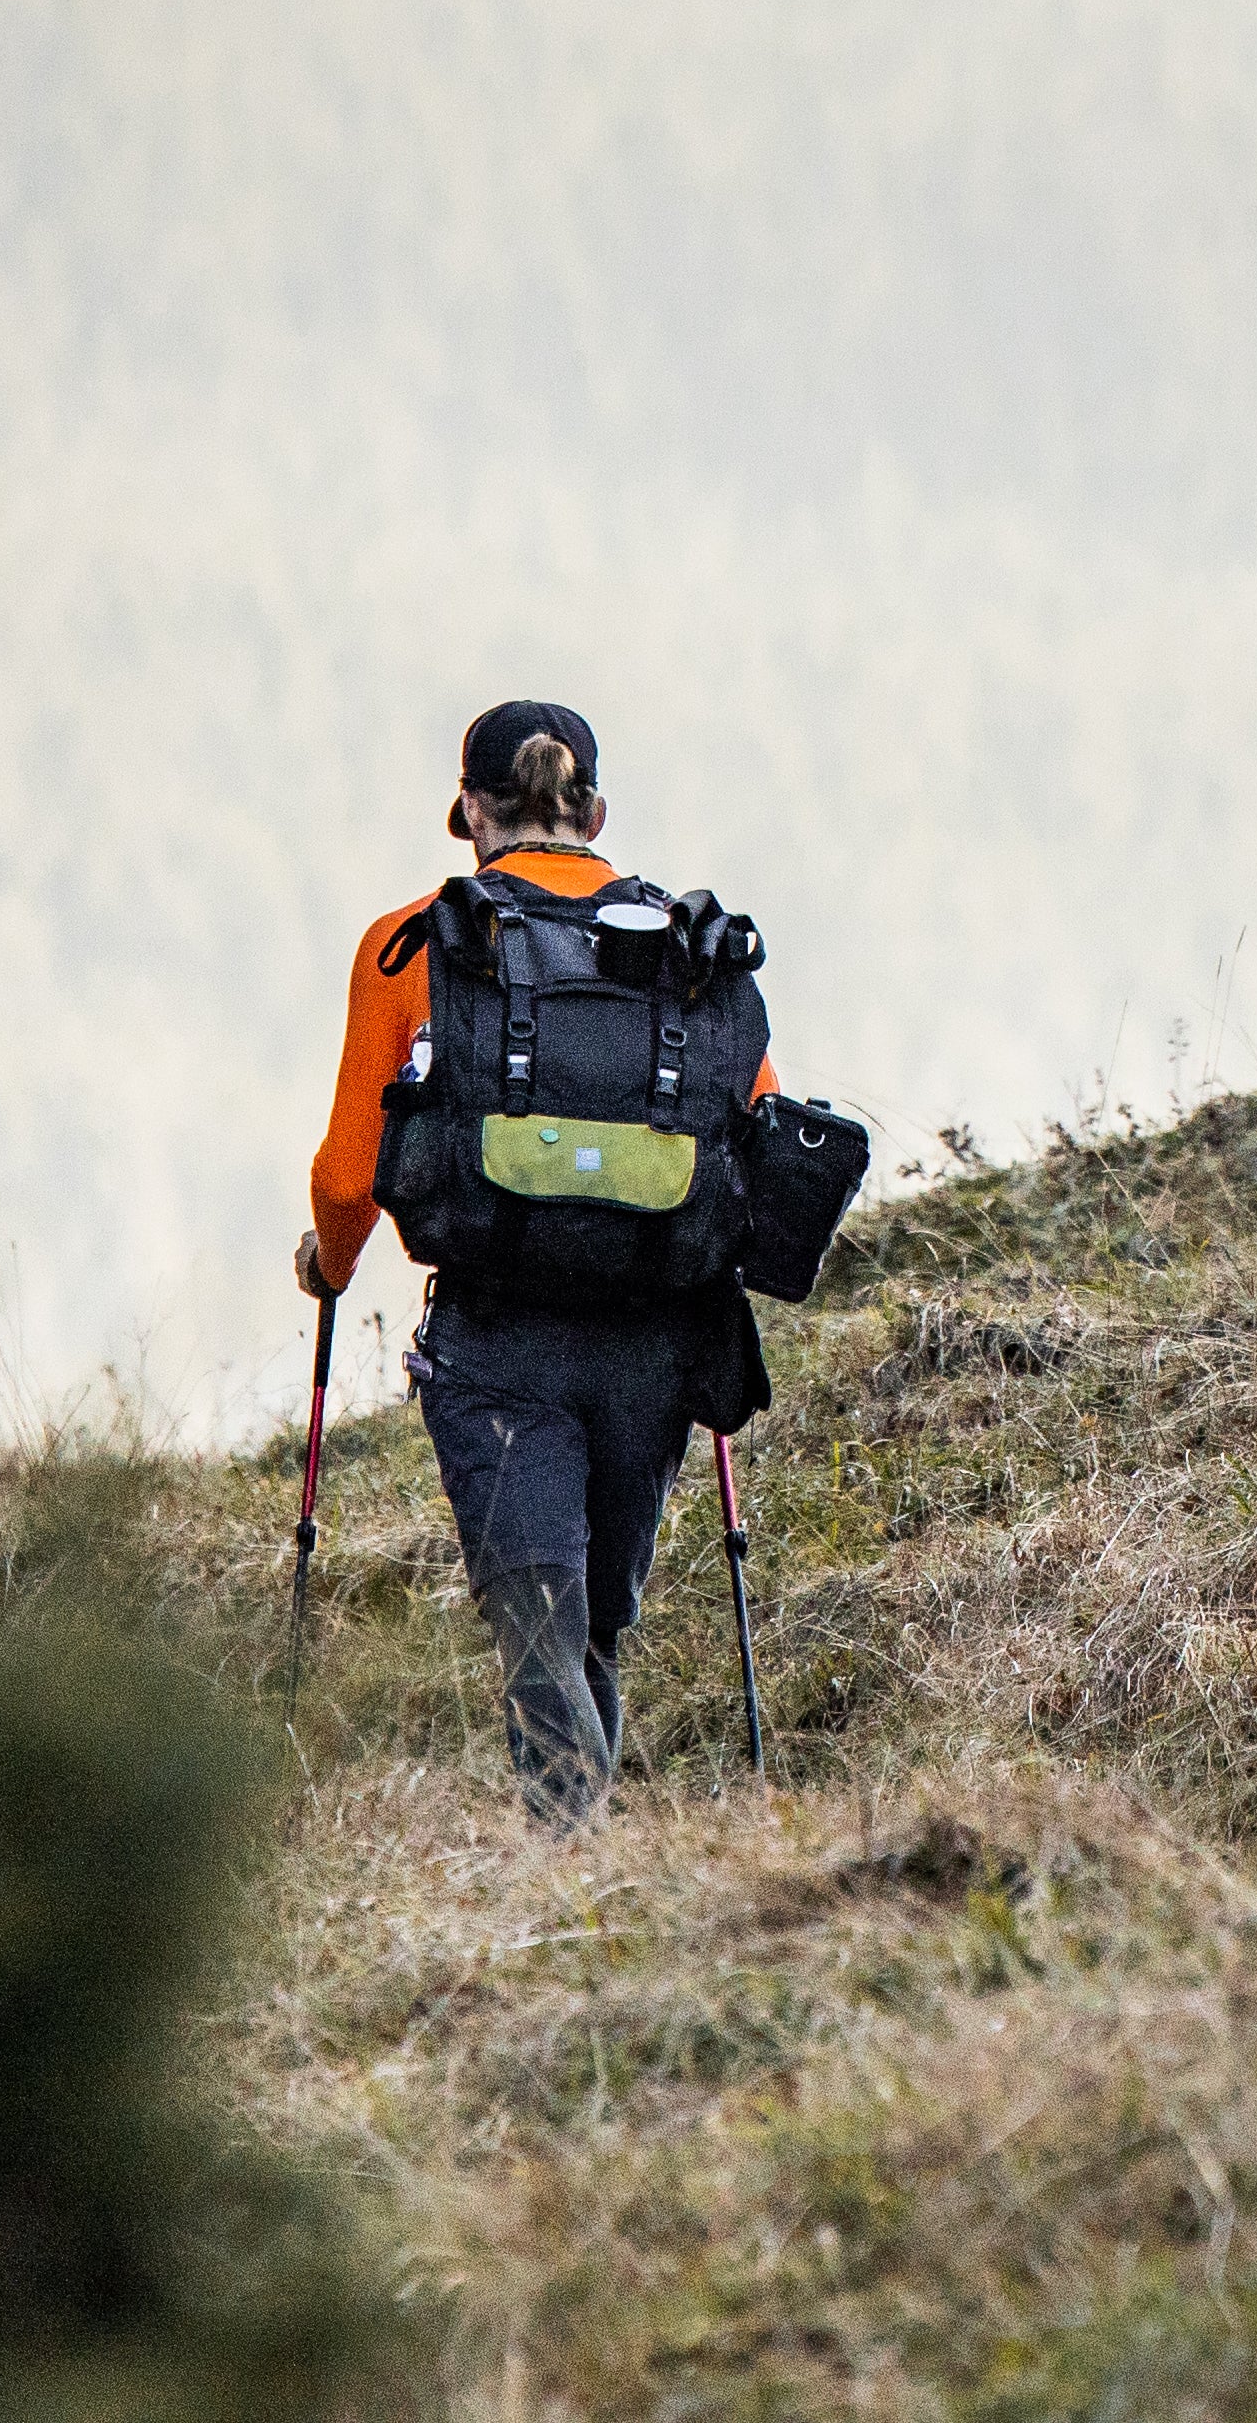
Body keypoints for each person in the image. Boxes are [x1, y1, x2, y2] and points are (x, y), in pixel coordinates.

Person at [296, 697, 780, 1821]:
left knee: (540, 1622)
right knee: (590, 1623)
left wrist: (327, 1267)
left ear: (467, 811)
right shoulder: (682, 947)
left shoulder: (412, 941)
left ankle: (572, 1876)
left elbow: (344, 1176)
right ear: (595, 810)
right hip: (655, 1344)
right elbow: (747, 1130)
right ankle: (585, 1876)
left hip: (497, 1339)